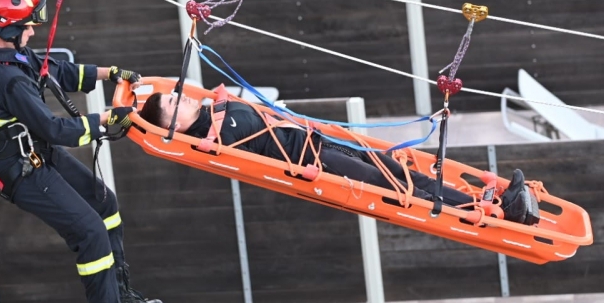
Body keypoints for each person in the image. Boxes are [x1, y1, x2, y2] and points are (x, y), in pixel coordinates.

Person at [0, 0, 163, 303]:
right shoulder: (3, 78)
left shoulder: (10, 55)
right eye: (27, 25)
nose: (33, 30)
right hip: (22, 169)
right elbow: (56, 129)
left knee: (106, 205)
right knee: (90, 232)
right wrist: (103, 120)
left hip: (36, 153)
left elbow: (58, 73)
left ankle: (120, 294)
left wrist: (111, 73)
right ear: (7, 28)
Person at [138, 89, 539, 225]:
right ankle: (496, 210)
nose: (182, 97)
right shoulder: (210, 135)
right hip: (318, 162)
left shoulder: (213, 106)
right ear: (172, 122)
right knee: (397, 187)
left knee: (403, 175)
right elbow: (217, 146)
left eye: (176, 94)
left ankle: (491, 202)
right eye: (174, 102)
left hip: (320, 143)